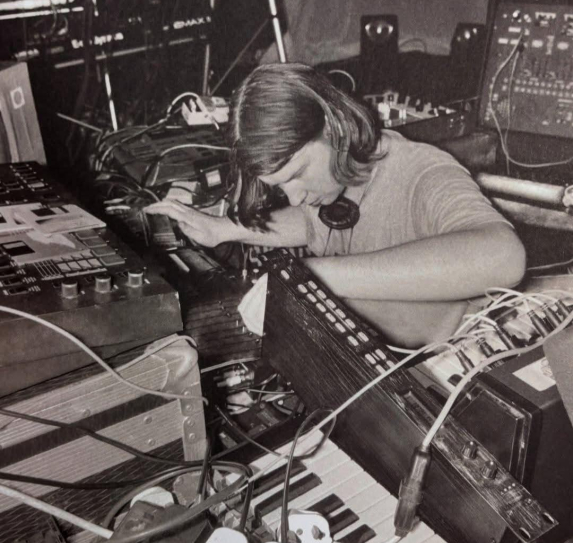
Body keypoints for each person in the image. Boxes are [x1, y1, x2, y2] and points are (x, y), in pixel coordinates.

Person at [145, 63, 526, 346]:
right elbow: (315, 223)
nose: (293, 196)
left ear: (333, 128)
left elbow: (503, 256)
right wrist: (225, 229)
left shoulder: (423, 171)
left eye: (296, 174)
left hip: (449, 367)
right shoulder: (339, 176)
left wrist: (311, 277)